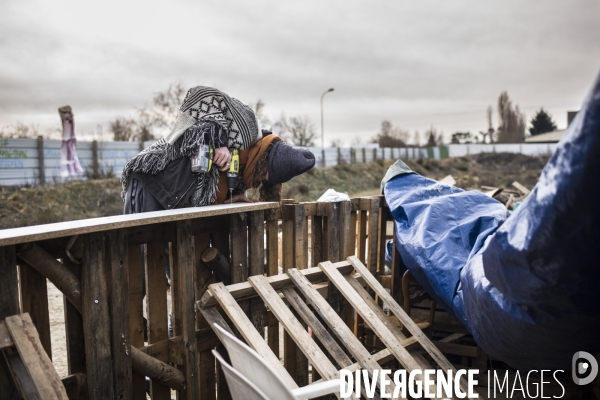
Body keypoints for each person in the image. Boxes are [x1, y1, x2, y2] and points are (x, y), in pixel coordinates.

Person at [121, 86, 315, 213]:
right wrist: (218, 140)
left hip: (174, 201)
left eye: (266, 181)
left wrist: (234, 201)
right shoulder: (248, 129)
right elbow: (198, 95)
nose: (262, 179)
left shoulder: (245, 173)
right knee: (141, 254)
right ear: (266, 158)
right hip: (152, 181)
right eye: (265, 173)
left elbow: (207, 192)